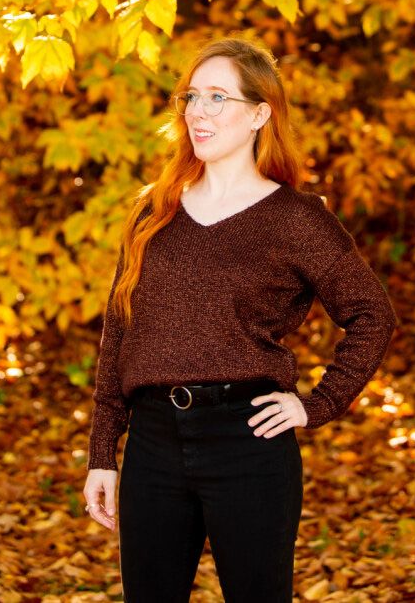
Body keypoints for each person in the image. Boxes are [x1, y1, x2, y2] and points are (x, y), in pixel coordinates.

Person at [82, 37, 398, 603]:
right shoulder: (155, 210)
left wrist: (317, 404)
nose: (198, 112)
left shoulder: (296, 219)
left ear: (259, 113)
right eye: (191, 97)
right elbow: (119, 333)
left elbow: (373, 314)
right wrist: (103, 454)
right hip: (152, 443)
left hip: (247, 440)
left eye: (218, 97)